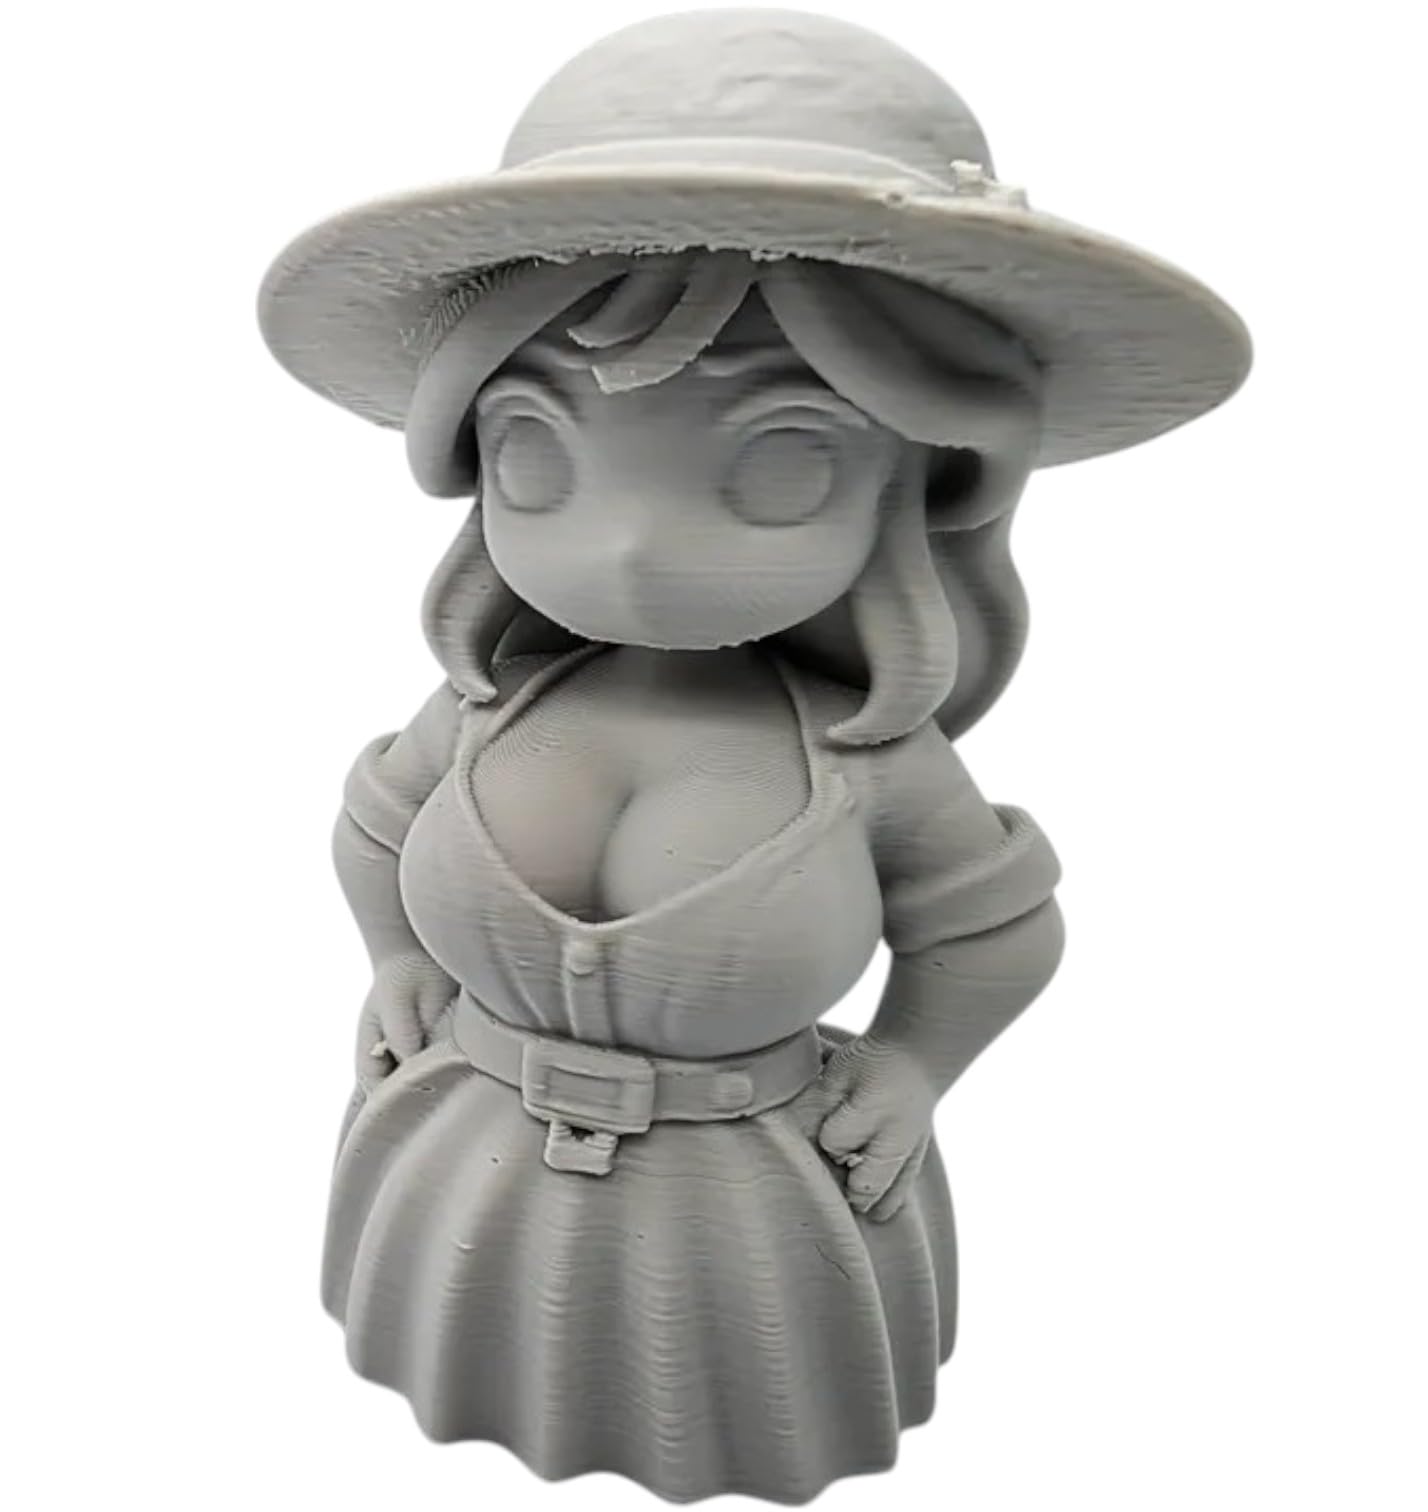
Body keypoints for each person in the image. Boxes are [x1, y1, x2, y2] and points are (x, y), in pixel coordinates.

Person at [258, 11, 1248, 1502]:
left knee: (717, 1399)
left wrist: (914, 1066)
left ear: (917, 474)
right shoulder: (484, 709)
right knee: (437, 1364)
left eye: (779, 463)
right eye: (540, 453)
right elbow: (376, 827)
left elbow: (994, 930)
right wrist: (396, 959)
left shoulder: (865, 763)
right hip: (458, 1170)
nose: (633, 546)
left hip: (738, 1222)